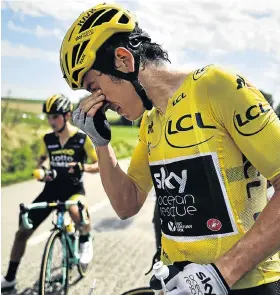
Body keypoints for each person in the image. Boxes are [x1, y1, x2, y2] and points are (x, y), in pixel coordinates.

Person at [60, 3, 280, 294]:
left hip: (247, 286)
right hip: (180, 283)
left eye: (93, 86)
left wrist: (220, 274)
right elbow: (127, 204)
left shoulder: (217, 86)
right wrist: (101, 144)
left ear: (124, 60)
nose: (97, 101)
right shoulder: (151, 122)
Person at [1, 94, 99, 291]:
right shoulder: (47, 139)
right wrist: (43, 171)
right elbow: (42, 160)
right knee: (22, 232)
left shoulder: (82, 140)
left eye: (55, 116)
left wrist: (82, 167)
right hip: (51, 191)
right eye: (49, 117)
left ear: (67, 115)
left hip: (73, 191)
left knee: (75, 210)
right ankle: (10, 277)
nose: (51, 121)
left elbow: (98, 165)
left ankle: (86, 240)